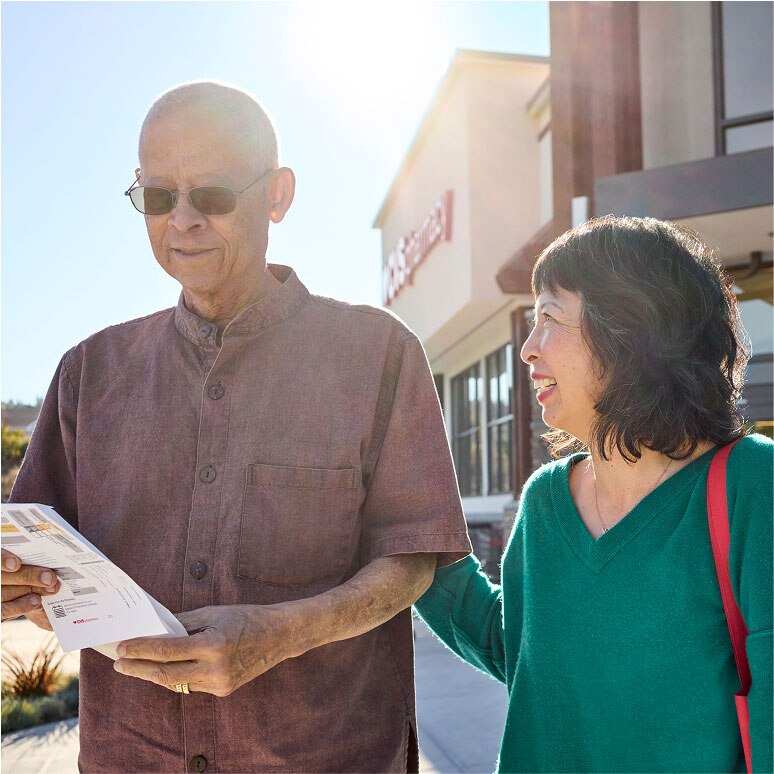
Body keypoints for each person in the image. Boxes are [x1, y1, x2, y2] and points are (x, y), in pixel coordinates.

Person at [2, 80, 471, 773]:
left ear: (278, 194)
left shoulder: (379, 355)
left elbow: (411, 562)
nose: (182, 220)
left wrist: (279, 634)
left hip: (325, 757)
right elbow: (38, 556)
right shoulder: (87, 373)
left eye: (213, 196)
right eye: (159, 197)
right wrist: (23, 586)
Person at [415, 216, 773, 773]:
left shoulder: (754, 487)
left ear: (631, 329)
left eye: (549, 318)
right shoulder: (544, 502)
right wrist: (409, 532)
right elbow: (519, 651)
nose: (528, 349)